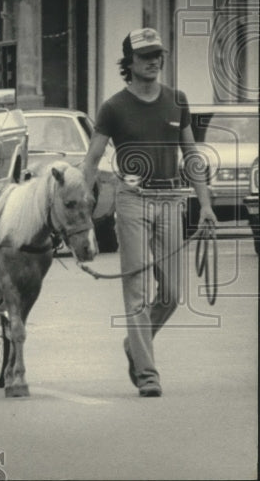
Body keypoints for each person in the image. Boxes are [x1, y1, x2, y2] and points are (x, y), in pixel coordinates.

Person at [82, 28, 217, 398]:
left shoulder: (177, 100)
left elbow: (191, 155)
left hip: (172, 202)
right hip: (132, 202)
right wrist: (80, 204)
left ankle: (134, 345)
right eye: (145, 56)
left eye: (158, 54)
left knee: (172, 293)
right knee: (137, 292)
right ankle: (147, 374)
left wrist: (205, 204)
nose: (154, 61)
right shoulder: (113, 107)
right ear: (130, 63)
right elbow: (92, 159)